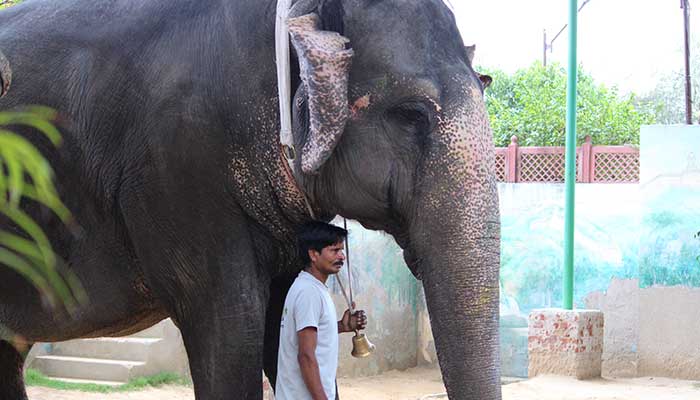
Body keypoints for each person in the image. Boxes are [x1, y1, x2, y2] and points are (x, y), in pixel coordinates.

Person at [275, 221, 368, 400]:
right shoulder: (309, 292)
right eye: (334, 251)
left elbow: (310, 333)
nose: (342, 257)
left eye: (342, 250)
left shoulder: (310, 287)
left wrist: (342, 326)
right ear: (313, 254)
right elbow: (306, 355)